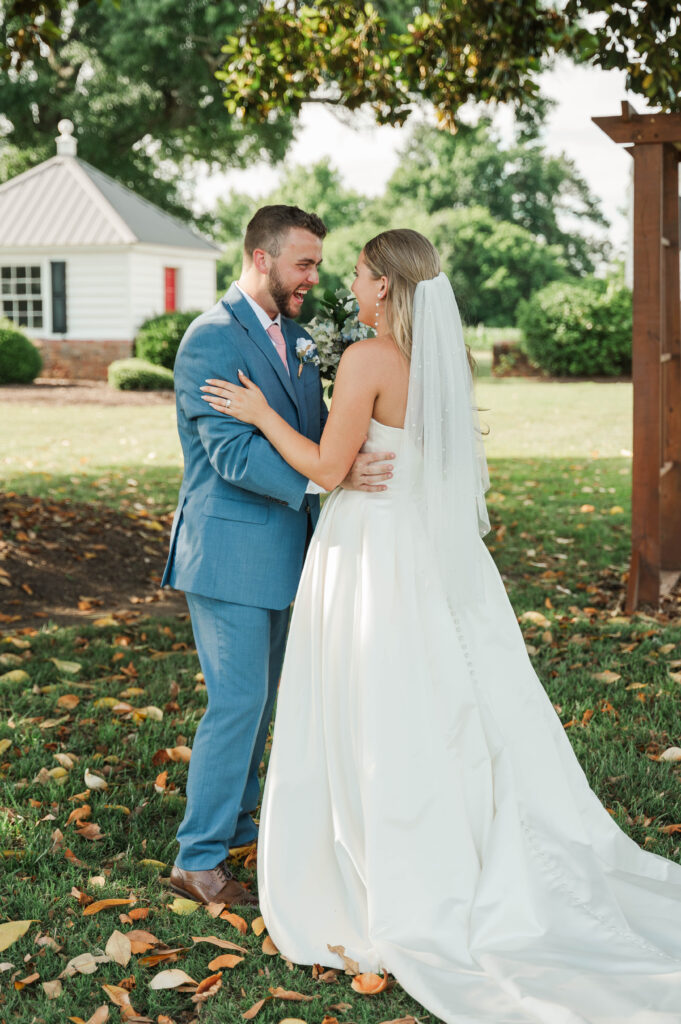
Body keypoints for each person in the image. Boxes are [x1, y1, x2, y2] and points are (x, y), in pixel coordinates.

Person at [201, 229, 681, 1022]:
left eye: (356, 273)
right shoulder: (442, 361)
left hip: (369, 550)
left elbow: (325, 468)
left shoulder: (366, 359)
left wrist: (257, 411)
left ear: (384, 287)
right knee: (442, 694)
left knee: (374, 700)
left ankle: (385, 853)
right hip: (428, 553)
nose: (348, 284)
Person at [161, 205, 395, 908]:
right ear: (261, 258)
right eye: (303, 263)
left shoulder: (295, 338)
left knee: (265, 706)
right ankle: (197, 860)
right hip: (227, 552)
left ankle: (238, 824)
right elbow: (229, 454)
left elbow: (317, 429)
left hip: (291, 551)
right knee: (237, 702)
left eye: (319, 264)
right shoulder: (209, 341)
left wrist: (341, 457)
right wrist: (324, 475)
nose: (312, 277)